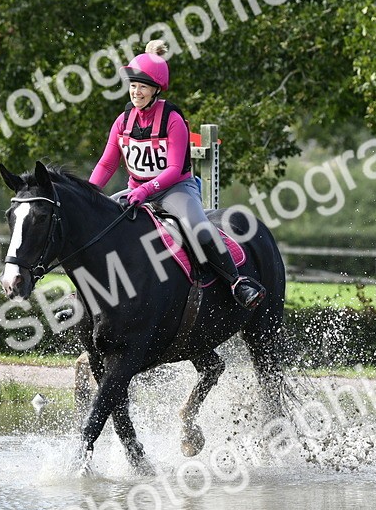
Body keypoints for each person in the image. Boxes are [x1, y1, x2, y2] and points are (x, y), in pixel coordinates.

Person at [88, 40, 266, 310]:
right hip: (135, 190)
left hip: (175, 191)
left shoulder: (173, 119)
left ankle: (236, 282)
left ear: (156, 89)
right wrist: (89, 194)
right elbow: (106, 165)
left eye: (143, 87)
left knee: (197, 226)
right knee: (99, 224)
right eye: (133, 86)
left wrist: (145, 191)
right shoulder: (122, 121)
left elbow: (173, 170)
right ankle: (85, 297)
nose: (136, 92)